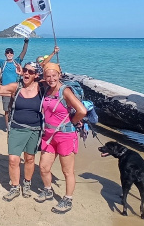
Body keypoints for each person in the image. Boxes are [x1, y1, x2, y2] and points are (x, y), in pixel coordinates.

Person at [0, 62, 45, 201]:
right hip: (16, 128)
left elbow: (51, 79)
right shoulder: (16, 87)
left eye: (30, 72)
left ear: (36, 75)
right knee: (13, 160)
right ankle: (15, 187)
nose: (26, 73)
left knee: (29, 159)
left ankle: (27, 184)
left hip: (35, 130)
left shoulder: (42, 88)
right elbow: (0, 89)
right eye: (25, 70)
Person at [36, 63, 87, 214]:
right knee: (44, 167)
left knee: (67, 171)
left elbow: (82, 111)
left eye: (54, 75)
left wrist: (72, 121)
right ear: (44, 77)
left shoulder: (65, 91)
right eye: (48, 76)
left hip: (65, 136)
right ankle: (48, 190)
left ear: (59, 75)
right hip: (49, 136)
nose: (51, 79)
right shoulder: (46, 88)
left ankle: (68, 199)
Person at [0, 36, 29, 125]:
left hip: (17, 90)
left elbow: (24, 52)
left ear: (13, 54)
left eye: (11, 52)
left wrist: (26, 42)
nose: (9, 54)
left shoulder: (17, 61)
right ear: (5, 54)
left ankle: (16, 124)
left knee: (17, 108)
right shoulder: (3, 63)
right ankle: (8, 128)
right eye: (7, 52)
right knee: (7, 110)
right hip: (5, 90)